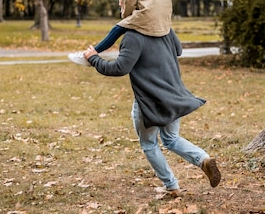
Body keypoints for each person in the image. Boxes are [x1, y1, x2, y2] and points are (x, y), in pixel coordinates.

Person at [83, 28, 221, 197]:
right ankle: (203, 159)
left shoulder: (133, 36)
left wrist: (94, 59)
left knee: (149, 144)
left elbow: (119, 68)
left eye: (121, 1)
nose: (120, 5)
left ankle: (171, 186)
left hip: (148, 101)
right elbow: (178, 50)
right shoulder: (164, 29)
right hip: (172, 95)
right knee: (171, 139)